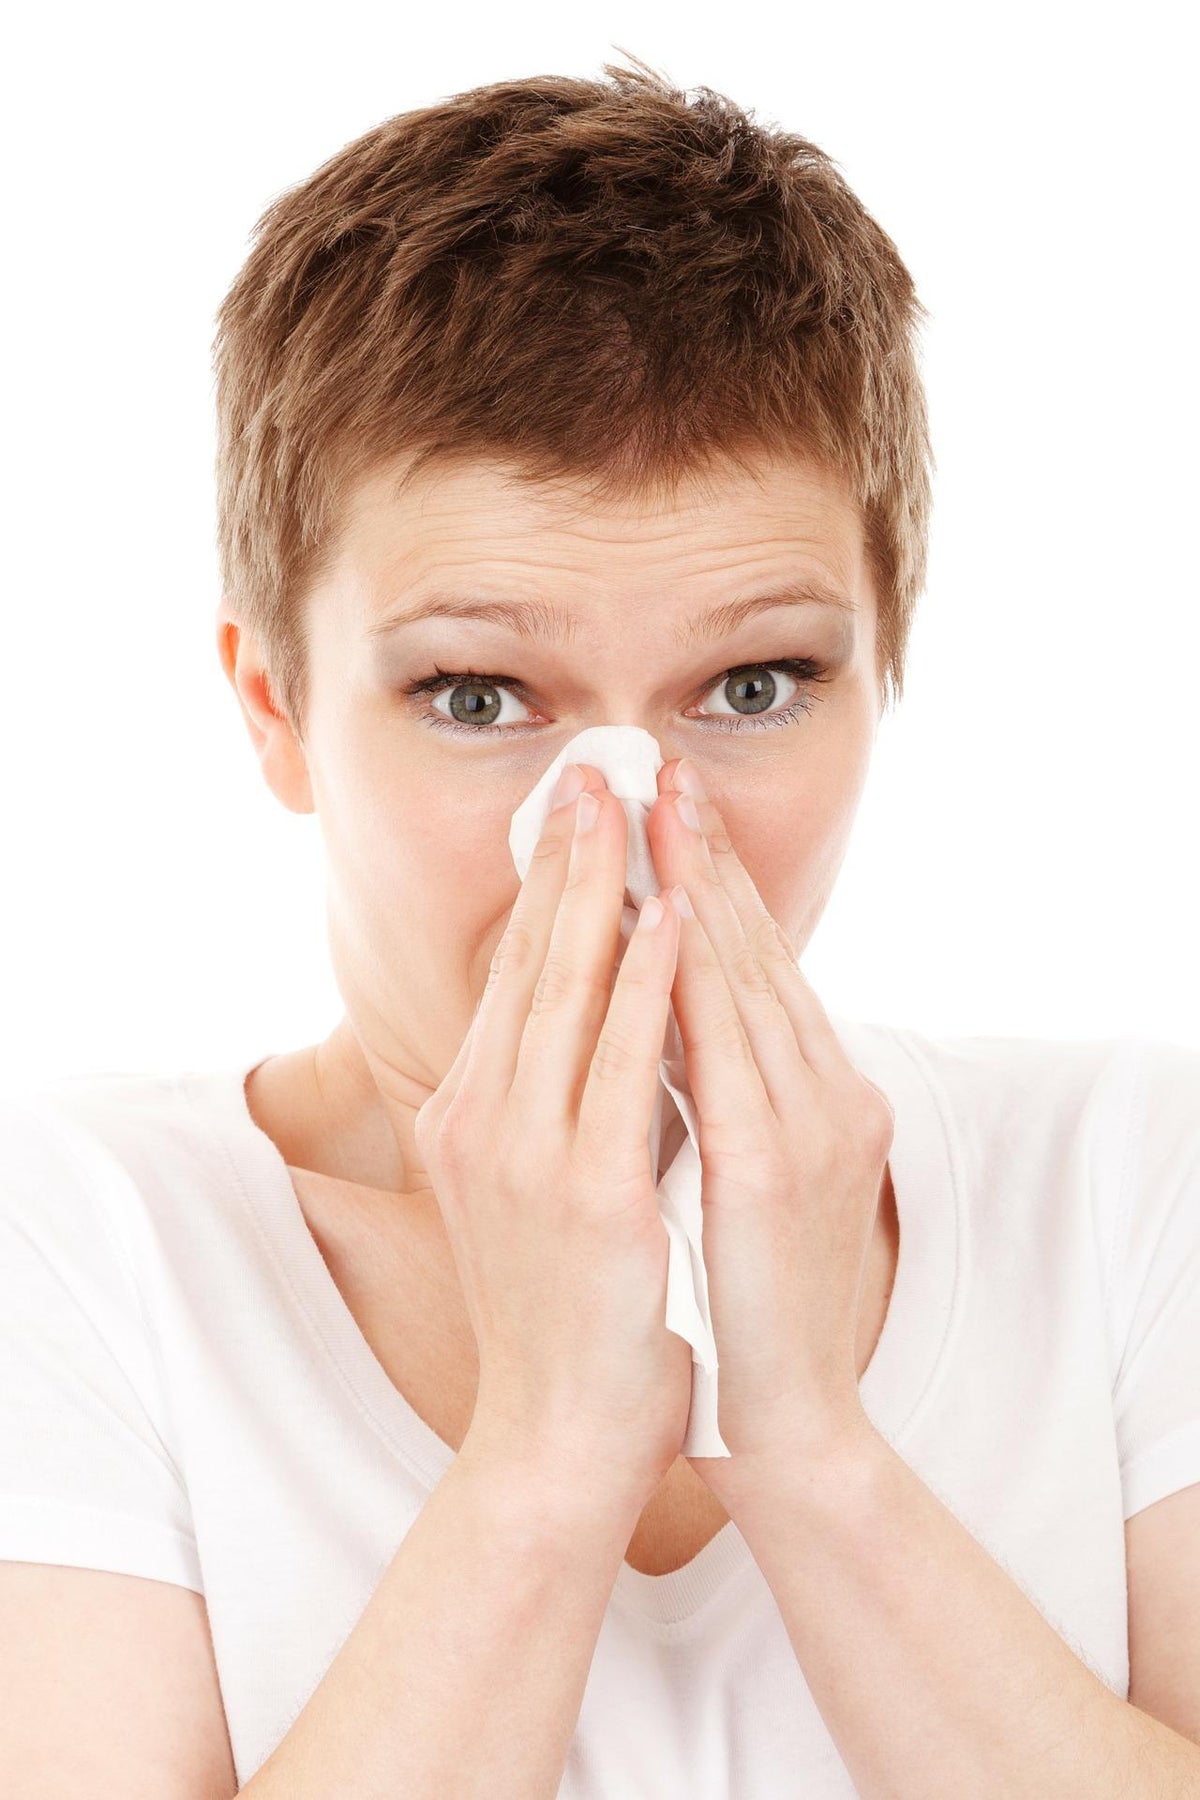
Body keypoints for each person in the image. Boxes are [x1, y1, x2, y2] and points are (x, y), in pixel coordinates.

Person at [3, 51, 1198, 1800]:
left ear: (890, 669)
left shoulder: (1126, 1176)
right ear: (275, 709)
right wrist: (549, 1457)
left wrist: (808, 1449)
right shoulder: (83, 1246)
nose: (630, 827)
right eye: (480, 696)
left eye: (756, 683)